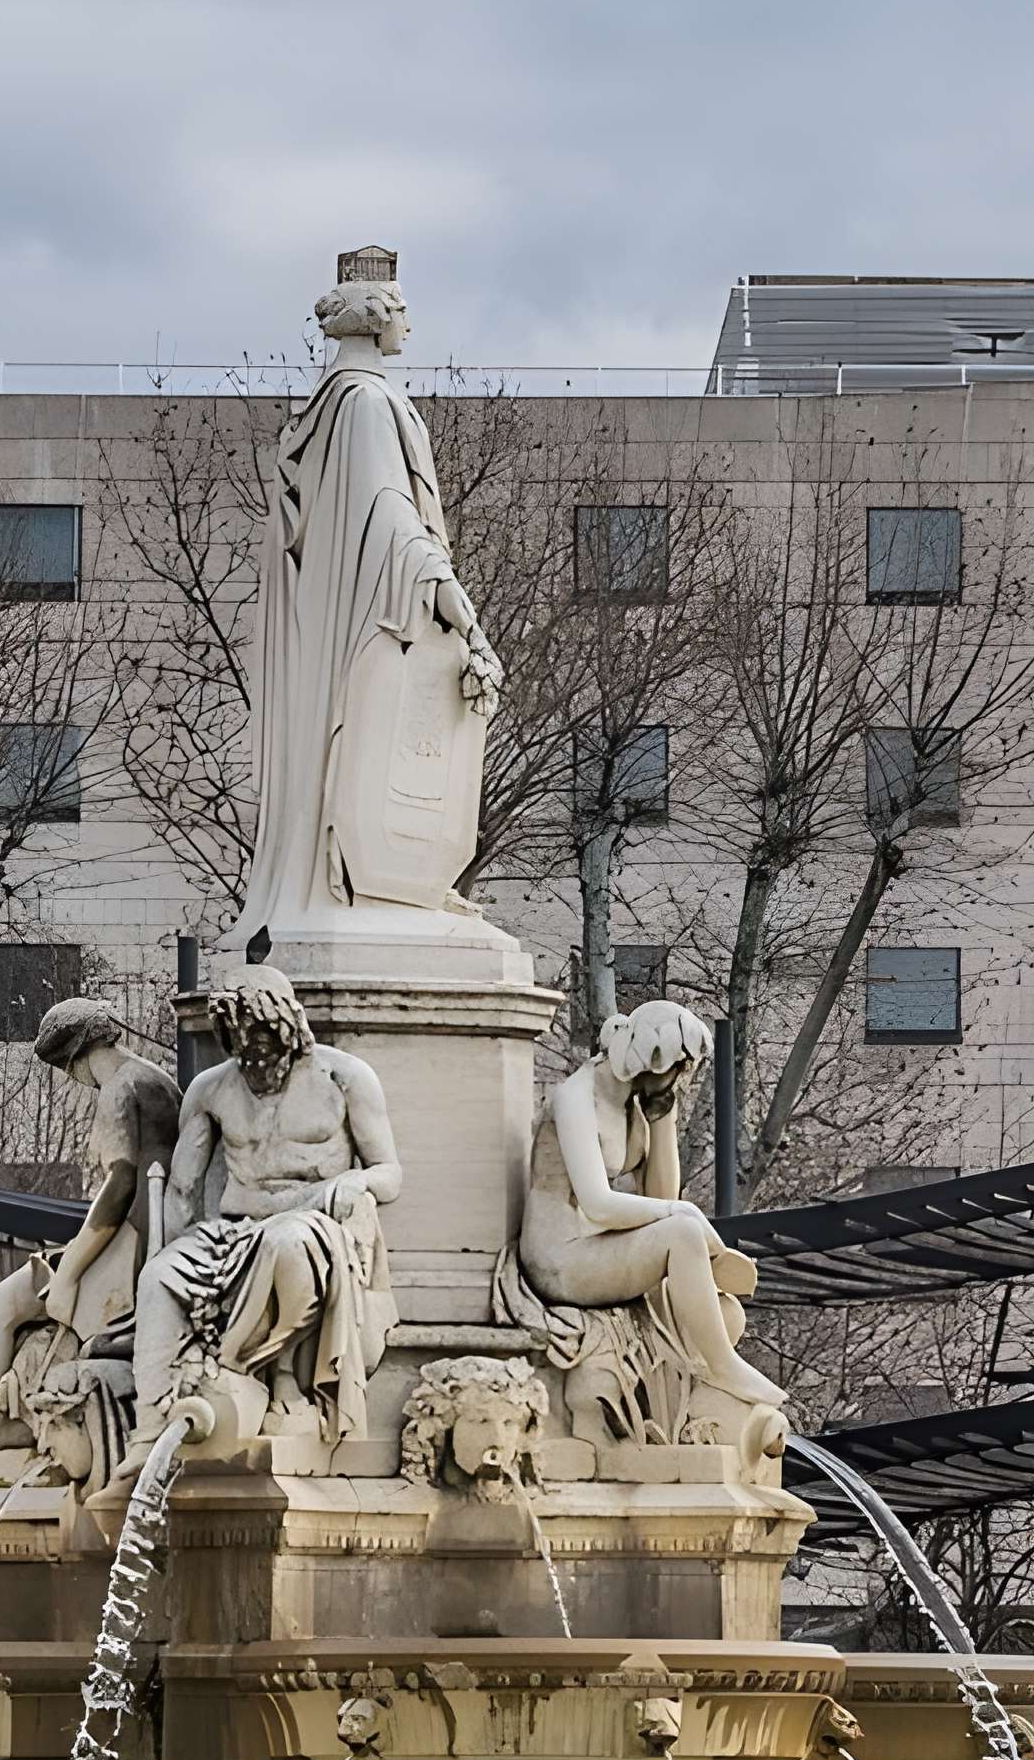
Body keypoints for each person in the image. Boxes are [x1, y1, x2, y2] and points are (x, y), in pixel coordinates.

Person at [240, 250, 508, 947]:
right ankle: (360, 883)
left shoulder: (341, 404)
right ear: (378, 319)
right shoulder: (361, 403)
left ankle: (391, 884)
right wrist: (450, 596)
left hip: (368, 610)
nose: (410, 329)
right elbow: (388, 516)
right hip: (378, 614)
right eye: (403, 312)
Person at [131, 966, 403, 1449]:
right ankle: (149, 1427)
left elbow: (389, 1173)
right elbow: (182, 1190)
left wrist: (352, 1184)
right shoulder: (212, 1089)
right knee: (158, 1279)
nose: (250, 1052)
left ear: (289, 1025)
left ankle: (264, 1375)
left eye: (260, 1037)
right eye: (236, 1040)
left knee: (286, 1244)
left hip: (312, 1223)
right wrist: (166, 1249)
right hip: (231, 1231)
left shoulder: (343, 1078)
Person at [0, 999, 179, 1494]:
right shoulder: (159, 1079)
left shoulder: (120, 1086)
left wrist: (70, 1273)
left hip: (125, 1253)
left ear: (73, 1058)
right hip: (150, 1241)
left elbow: (119, 1186)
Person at [512, 999, 791, 1440]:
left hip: (597, 1247)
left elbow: (660, 1195)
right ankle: (722, 1367)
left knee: (723, 1313)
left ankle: (706, 1387)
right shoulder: (574, 1098)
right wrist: (687, 1214)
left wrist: (664, 1119)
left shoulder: (633, 1105)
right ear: (644, 1058)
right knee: (681, 1228)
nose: (681, 1079)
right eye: (677, 1068)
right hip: (559, 1259)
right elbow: (599, 1204)